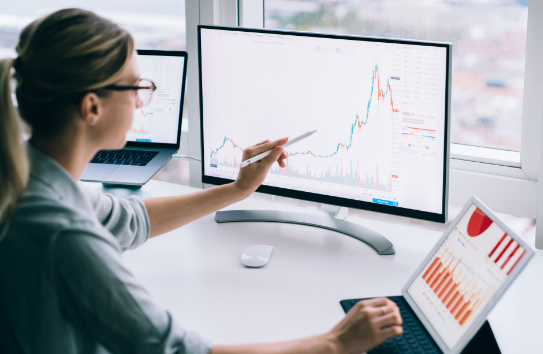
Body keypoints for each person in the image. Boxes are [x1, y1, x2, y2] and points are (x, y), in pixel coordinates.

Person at [0, 8, 403, 354]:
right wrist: (334, 344)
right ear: (91, 107)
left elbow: (131, 219)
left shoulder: (33, 178)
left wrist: (237, 190)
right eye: (136, 87)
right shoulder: (62, 233)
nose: (141, 100)